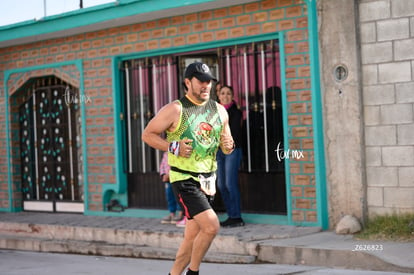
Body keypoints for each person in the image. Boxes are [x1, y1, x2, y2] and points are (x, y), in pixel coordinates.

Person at [142, 62, 235, 275]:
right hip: (184, 179)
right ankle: (193, 272)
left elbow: (226, 143)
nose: (205, 85)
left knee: (192, 237)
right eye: (200, 81)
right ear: (187, 82)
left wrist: (228, 146)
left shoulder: (219, 110)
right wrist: (172, 146)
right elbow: (147, 134)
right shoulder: (176, 109)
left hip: (208, 180)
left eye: (208, 81)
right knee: (211, 226)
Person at [216, 85, 244, 227]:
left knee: (229, 184)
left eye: (228, 93)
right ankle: (230, 215)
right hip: (218, 152)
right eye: (222, 93)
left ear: (232, 97)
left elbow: (233, 132)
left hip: (232, 151)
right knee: (221, 185)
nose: (225, 96)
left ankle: (237, 216)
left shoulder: (236, 112)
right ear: (219, 96)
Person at [159, 151, 187, 227]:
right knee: (169, 196)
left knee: (178, 196)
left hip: (177, 178)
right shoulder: (165, 153)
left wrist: (170, 174)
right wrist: (163, 174)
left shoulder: (179, 152)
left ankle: (180, 213)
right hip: (168, 180)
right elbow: (162, 165)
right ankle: (172, 213)